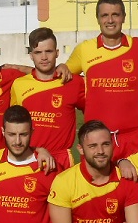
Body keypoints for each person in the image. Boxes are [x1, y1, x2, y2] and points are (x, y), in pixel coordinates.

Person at [57, 0, 138, 160]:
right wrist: (60, 66)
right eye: (105, 15)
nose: (110, 20)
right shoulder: (85, 49)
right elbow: (58, 76)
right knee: (96, 185)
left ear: (124, 17)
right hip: (97, 140)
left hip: (133, 137)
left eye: (115, 15)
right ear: (98, 18)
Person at [10, 27, 85, 169]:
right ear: (31, 55)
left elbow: (96, 109)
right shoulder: (19, 85)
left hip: (62, 162)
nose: (44, 57)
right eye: (38, 52)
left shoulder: (73, 82)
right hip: (30, 158)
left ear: (57, 53)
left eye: (48, 51)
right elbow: (13, 125)